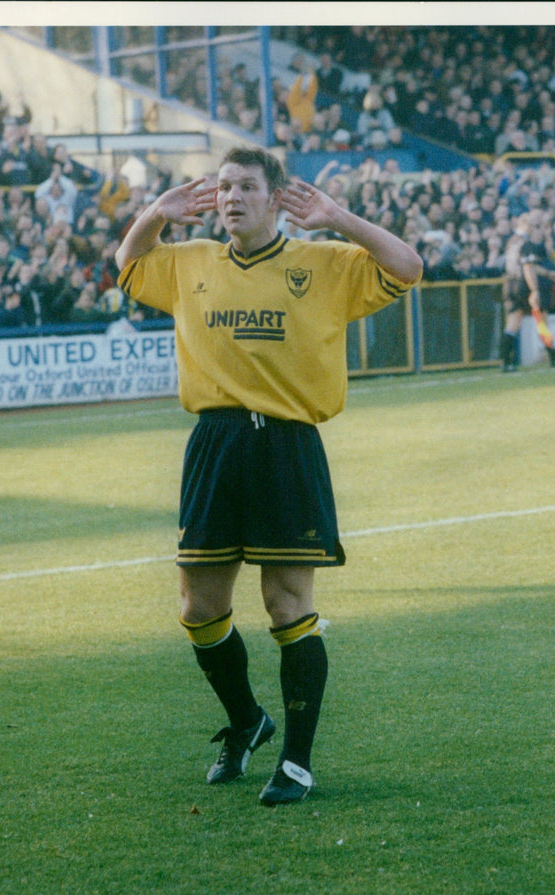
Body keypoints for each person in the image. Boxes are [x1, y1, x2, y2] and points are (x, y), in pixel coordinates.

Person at [115, 146, 422, 805]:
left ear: (277, 197)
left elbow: (407, 266)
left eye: (247, 187)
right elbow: (128, 265)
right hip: (216, 442)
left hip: (287, 443)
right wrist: (155, 214)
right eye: (224, 187)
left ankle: (297, 763)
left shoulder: (327, 265)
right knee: (199, 607)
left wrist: (338, 218)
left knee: (287, 602)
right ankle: (249, 719)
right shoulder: (190, 263)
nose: (231, 198)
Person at [500, 212, 555, 372]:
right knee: (541, 318)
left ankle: (506, 362)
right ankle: (554, 357)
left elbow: (522, 265)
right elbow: (528, 267)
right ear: (526, 225)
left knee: (513, 323)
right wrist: (535, 290)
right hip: (522, 284)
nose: (534, 229)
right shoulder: (525, 243)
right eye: (533, 225)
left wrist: (548, 273)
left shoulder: (511, 241)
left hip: (509, 283)